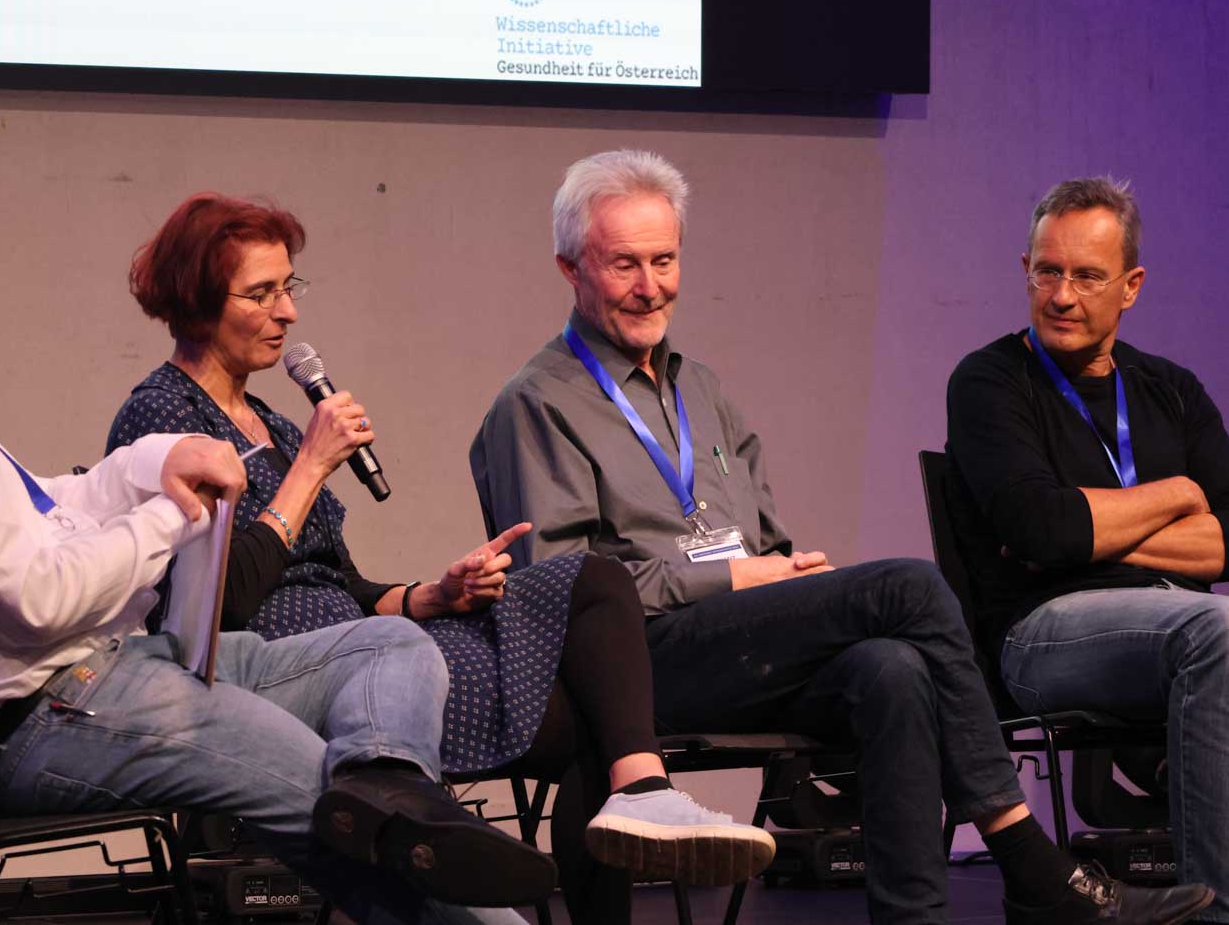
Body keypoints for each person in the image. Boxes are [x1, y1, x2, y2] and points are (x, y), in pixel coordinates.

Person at [0, 138, 560, 925]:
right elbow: (41, 598)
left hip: (97, 677)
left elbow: (44, 509)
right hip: (51, 715)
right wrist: (176, 510)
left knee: (388, 649)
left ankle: (392, 789)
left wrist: (155, 462)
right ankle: (400, 823)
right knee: (335, 808)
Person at [468, 149, 1214, 925]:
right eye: (625, 264)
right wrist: (736, 580)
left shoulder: (700, 389)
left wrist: (784, 575)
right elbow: (561, 593)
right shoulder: (537, 402)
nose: (649, 286)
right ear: (570, 269)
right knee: (909, 587)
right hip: (638, 664)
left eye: (664, 260)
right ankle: (1029, 860)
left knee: (892, 669)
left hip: (737, 643)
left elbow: (761, 542)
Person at [105, 192, 773, 924]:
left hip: (368, 635)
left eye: (289, 288)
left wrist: (431, 594)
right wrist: (310, 470)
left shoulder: (275, 423)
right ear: (199, 300)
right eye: (261, 294)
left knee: (592, 596)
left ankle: (641, 795)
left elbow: (338, 581)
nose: (288, 312)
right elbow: (222, 599)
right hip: (276, 662)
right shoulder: (163, 416)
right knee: (572, 699)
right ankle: (440, 832)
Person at [945, 177, 1229, 924]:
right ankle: (1215, 913)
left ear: (1131, 286)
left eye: (1087, 276)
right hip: (1040, 635)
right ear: (1026, 269)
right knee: (1217, 631)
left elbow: (1228, 538)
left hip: (1173, 624)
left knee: (1212, 632)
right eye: (1048, 271)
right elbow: (1043, 530)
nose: (1062, 296)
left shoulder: (1172, 389)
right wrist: (1180, 494)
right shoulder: (989, 381)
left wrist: (1097, 530)